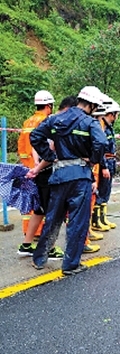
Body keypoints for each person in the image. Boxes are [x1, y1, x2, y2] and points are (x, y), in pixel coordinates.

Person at [29, 86, 108, 275]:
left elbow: (35, 136)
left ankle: (39, 259)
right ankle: (70, 265)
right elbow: (102, 143)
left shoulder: (56, 119)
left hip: (58, 176)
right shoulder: (90, 123)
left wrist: (49, 155)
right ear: (92, 105)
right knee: (77, 222)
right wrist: (94, 160)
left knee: (53, 219)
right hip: (80, 176)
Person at [16, 90, 63, 259]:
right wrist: (39, 166)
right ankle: (48, 248)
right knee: (49, 208)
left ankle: (27, 244)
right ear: (49, 106)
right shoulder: (46, 121)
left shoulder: (28, 121)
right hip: (42, 169)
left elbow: (23, 147)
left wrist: (29, 166)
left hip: (29, 169)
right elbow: (44, 146)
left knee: (37, 208)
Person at [95, 98, 120, 229]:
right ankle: (96, 220)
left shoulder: (108, 128)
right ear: (111, 114)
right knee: (101, 190)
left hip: (110, 161)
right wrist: (104, 166)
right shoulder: (101, 127)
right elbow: (101, 149)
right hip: (105, 162)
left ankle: (103, 218)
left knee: (106, 191)